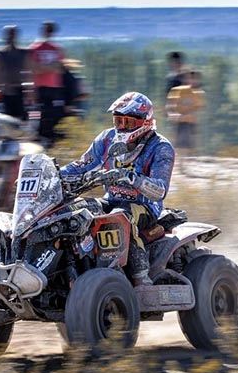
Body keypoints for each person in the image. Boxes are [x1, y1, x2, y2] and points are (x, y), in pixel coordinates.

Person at [60, 92, 175, 287]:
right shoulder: (106, 139)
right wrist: (53, 174)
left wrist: (130, 177)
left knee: (120, 217)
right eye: (118, 121)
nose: (121, 127)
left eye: (128, 122)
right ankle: (77, 266)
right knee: (76, 210)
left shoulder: (161, 147)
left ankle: (140, 275)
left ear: (144, 122)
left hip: (145, 206)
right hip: (111, 198)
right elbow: (82, 164)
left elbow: (160, 190)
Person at [29, 20, 65, 144]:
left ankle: (53, 141)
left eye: (50, 30)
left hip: (55, 86)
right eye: (47, 30)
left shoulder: (57, 49)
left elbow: (60, 68)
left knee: (55, 115)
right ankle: (41, 139)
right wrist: (51, 67)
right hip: (40, 87)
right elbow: (34, 68)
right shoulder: (34, 49)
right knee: (41, 115)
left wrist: (43, 67)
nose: (48, 33)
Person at [0, 25, 32, 120]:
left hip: (19, 92)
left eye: (13, 34)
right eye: (11, 34)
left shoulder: (22, 53)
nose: (12, 37)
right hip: (6, 93)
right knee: (8, 121)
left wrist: (30, 92)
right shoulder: (1, 54)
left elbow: (29, 73)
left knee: (20, 121)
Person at [165, 69, 205, 161]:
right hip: (178, 122)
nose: (193, 81)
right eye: (191, 78)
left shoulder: (199, 93)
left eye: (195, 79)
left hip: (190, 122)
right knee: (176, 143)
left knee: (187, 145)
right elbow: (170, 104)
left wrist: (185, 115)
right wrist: (172, 114)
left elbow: (197, 109)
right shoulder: (178, 90)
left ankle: (182, 163)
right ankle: (177, 162)